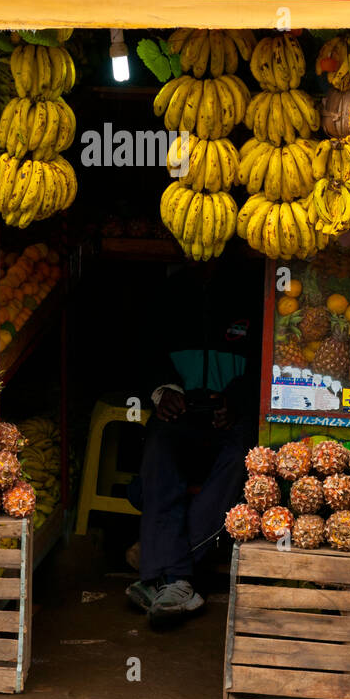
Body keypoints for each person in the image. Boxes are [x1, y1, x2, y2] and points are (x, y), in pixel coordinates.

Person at [125, 256, 262, 628]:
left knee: (241, 457)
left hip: (229, 415)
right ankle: (178, 581)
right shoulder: (168, 293)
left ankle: (162, 574)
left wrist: (236, 402)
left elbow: (266, 362)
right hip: (182, 410)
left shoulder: (253, 292)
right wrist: (162, 390)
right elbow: (143, 353)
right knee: (158, 445)